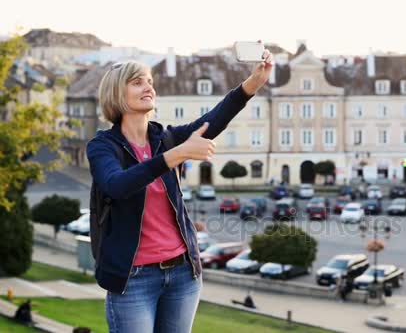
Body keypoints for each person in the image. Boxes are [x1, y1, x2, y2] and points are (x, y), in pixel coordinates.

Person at [87, 50, 273, 332]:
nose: (148, 87)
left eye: (149, 81)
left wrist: (252, 84)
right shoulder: (103, 147)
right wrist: (176, 155)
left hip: (182, 274)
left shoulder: (167, 139)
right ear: (116, 93)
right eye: (137, 82)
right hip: (133, 278)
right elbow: (117, 185)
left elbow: (215, 119)